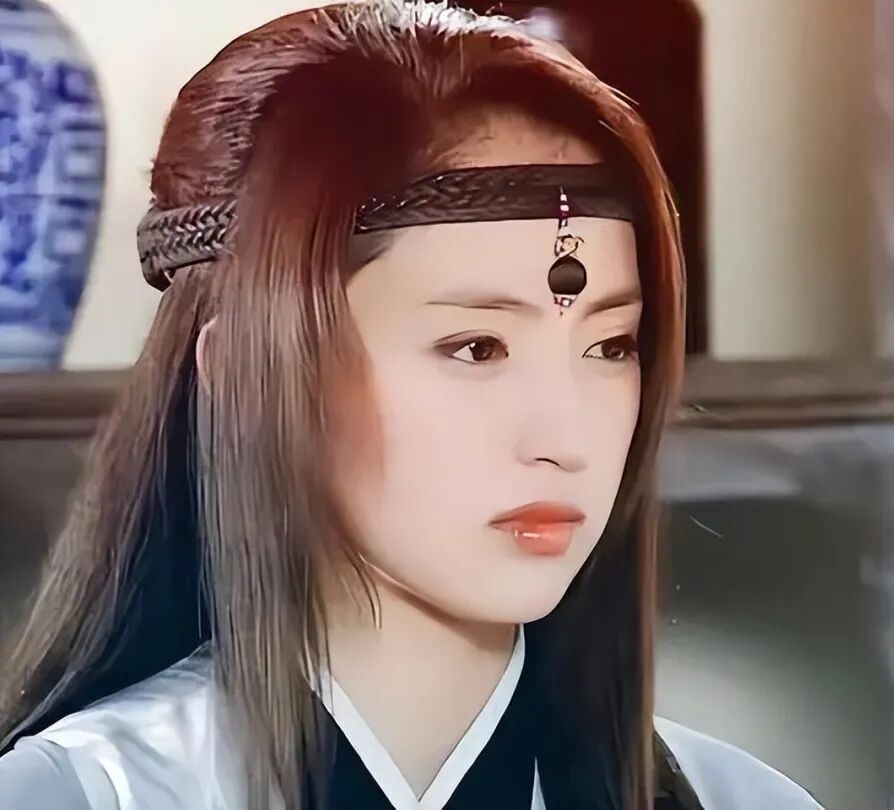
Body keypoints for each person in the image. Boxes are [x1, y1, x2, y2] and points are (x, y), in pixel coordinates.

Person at [0, 3, 824, 808]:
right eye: (477, 348)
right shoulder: (85, 794)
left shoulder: (737, 800)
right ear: (248, 375)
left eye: (610, 347)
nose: (566, 439)